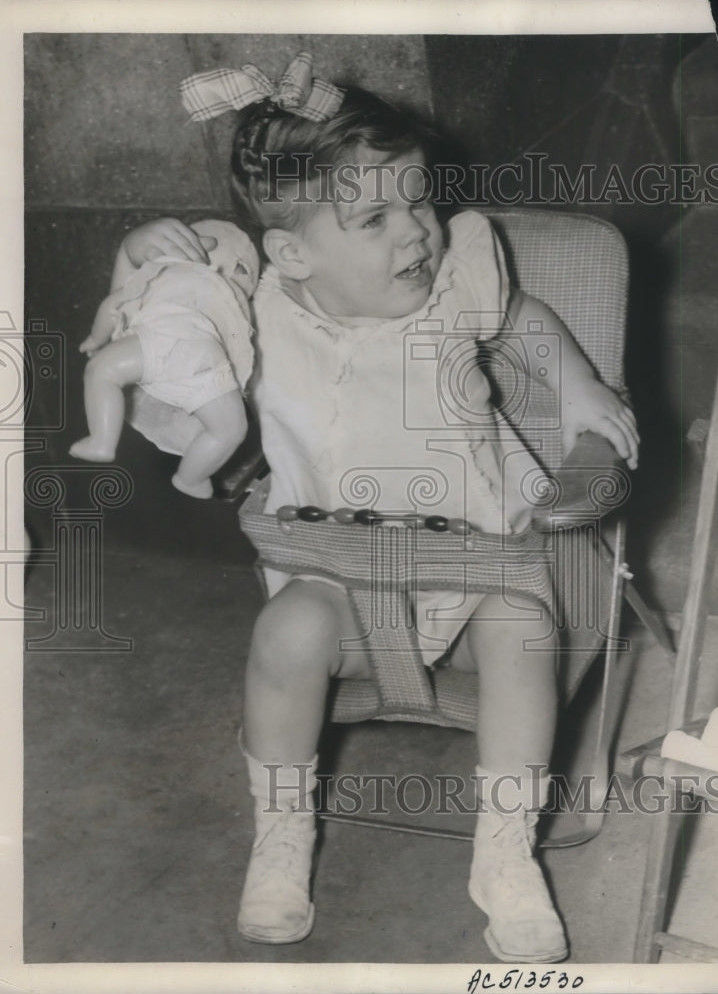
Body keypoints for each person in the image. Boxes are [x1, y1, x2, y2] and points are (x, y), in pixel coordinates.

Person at [121, 53, 639, 962]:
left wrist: (580, 388)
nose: (415, 233)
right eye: (373, 217)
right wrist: (146, 245)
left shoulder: (454, 291)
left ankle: (504, 850)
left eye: (419, 201)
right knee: (284, 635)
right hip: (332, 569)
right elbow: (159, 300)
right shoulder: (250, 309)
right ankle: (282, 832)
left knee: (523, 634)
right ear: (290, 252)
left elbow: (519, 322)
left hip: (479, 562)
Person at [70, 219, 258, 499]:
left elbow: (112, 306)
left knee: (100, 370)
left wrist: (96, 340)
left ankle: (103, 440)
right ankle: (190, 477)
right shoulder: (231, 302)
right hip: (202, 362)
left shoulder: (164, 274)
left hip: (158, 345)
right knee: (230, 429)